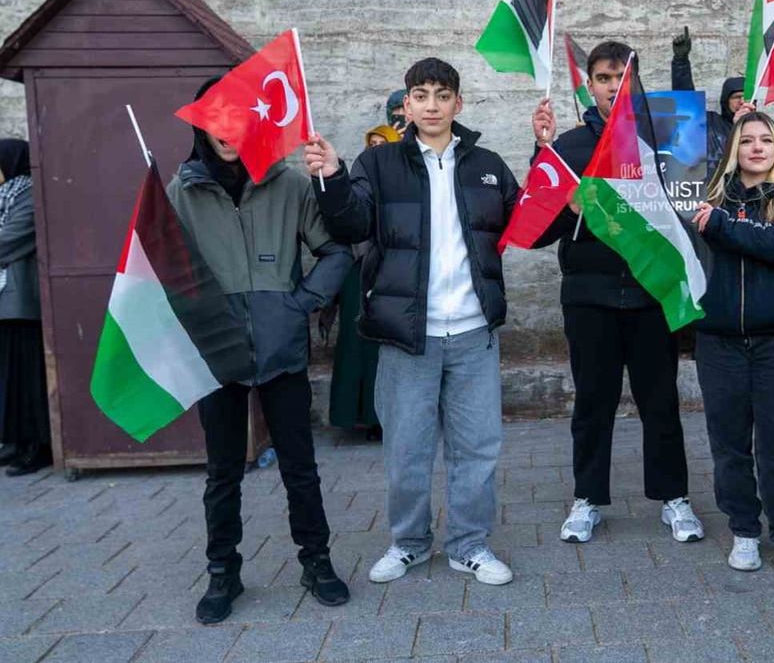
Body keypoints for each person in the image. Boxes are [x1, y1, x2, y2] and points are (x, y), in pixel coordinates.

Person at [304, 58, 519, 587]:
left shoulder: (487, 164)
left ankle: (469, 545)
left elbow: (527, 220)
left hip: (473, 334)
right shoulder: (379, 165)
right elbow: (352, 222)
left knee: (478, 449)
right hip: (407, 335)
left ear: (457, 104)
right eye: (419, 95)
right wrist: (331, 176)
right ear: (406, 104)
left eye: (441, 95)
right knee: (406, 448)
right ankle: (409, 542)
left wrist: (545, 155)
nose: (430, 105)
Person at [172, 77, 354, 623]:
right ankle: (223, 573)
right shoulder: (182, 192)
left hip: (281, 350)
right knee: (222, 471)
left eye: (239, 118)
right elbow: (166, 269)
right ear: (204, 126)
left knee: (300, 466)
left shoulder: (290, 185)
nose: (229, 132)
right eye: (217, 120)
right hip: (218, 353)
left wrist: (299, 304)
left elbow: (335, 252)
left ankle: (317, 562)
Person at [529, 42, 704, 545]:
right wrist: (546, 164)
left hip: (652, 295)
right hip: (589, 298)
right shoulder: (567, 147)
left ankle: (674, 499)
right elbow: (540, 228)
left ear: (634, 82)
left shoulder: (664, 141)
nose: (611, 86)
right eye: (603, 77)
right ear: (590, 82)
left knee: (661, 402)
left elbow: (692, 198)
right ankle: (587, 499)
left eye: (620, 77)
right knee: (592, 403)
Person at [690, 111, 774, 574]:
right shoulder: (706, 197)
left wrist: (722, 227)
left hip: (773, 343)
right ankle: (744, 529)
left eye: (766, 140)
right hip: (718, 341)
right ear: (733, 150)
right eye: (747, 141)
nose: (758, 148)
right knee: (729, 442)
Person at [321, 124, 404, 435]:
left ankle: (382, 418)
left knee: (384, 348)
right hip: (360, 272)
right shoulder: (361, 177)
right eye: (373, 144)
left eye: (384, 143)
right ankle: (356, 415)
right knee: (356, 345)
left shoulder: (405, 178)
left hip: (392, 272)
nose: (376, 149)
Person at [0, 140, 51, 477]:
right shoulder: (7, 199)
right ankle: (15, 441)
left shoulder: (29, 196)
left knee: (28, 380)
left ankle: (37, 446)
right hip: (6, 304)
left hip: (22, 305)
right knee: (9, 380)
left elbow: (7, 241)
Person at [671, 26, 744, 177]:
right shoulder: (710, 122)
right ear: (726, 101)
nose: (742, 102)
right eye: (737, 97)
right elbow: (687, 102)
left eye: (747, 98)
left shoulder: (764, 132)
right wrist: (681, 62)